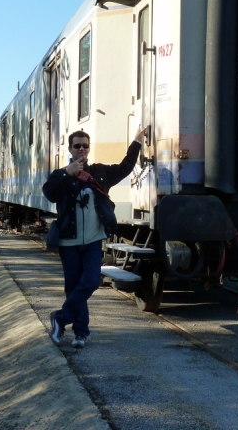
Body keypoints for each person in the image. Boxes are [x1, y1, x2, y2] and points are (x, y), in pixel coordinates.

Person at [43, 126, 147, 348]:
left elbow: (125, 167)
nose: (81, 149)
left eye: (85, 146)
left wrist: (136, 142)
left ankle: (60, 319)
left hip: (92, 240)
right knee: (73, 287)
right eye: (77, 145)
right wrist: (66, 173)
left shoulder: (99, 172)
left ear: (89, 149)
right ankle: (80, 333)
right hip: (68, 241)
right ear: (70, 149)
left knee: (90, 282)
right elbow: (49, 193)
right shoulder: (59, 175)